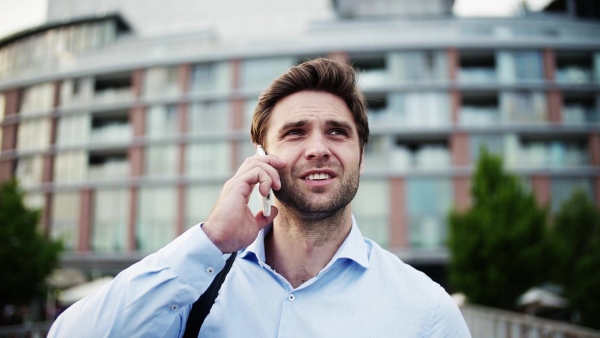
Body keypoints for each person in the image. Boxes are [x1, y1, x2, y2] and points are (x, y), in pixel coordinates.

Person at [48, 58, 471, 337]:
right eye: (295, 132)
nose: (318, 148)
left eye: (338, 132)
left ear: (361, 155)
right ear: (261, 156)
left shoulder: (426, 312)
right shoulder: (194, 282)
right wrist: (210, 240)